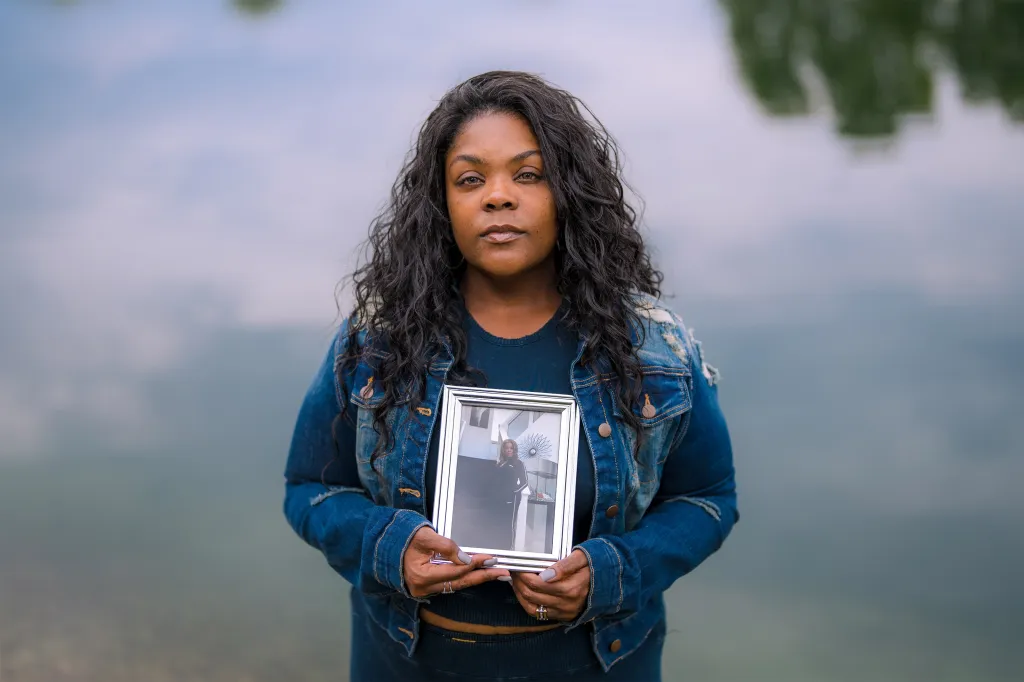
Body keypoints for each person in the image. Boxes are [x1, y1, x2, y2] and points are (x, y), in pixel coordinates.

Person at [283, 70, 738, 681]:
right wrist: (387, 547)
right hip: (404, 661)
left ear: (569, 192)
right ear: (441, 203)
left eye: (528, 174)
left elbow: (707, 499)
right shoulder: (378, 339)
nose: (498, 196)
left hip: (601, 664)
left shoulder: (653, 345)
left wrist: (615, 570)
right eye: (471, 179)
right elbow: (310, 488)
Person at [496, 438, 529, 549]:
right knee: (500, 521)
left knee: (510, 524)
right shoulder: (501, 463)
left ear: (514, 450)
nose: (509, 450)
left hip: (513, 498)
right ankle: (499, 545)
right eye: (506, 448)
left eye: (511, 448)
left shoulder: (519, 464)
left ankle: (509, 548)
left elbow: (525, 483)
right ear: (503, 450)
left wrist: (514, 491)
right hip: (500, 497)